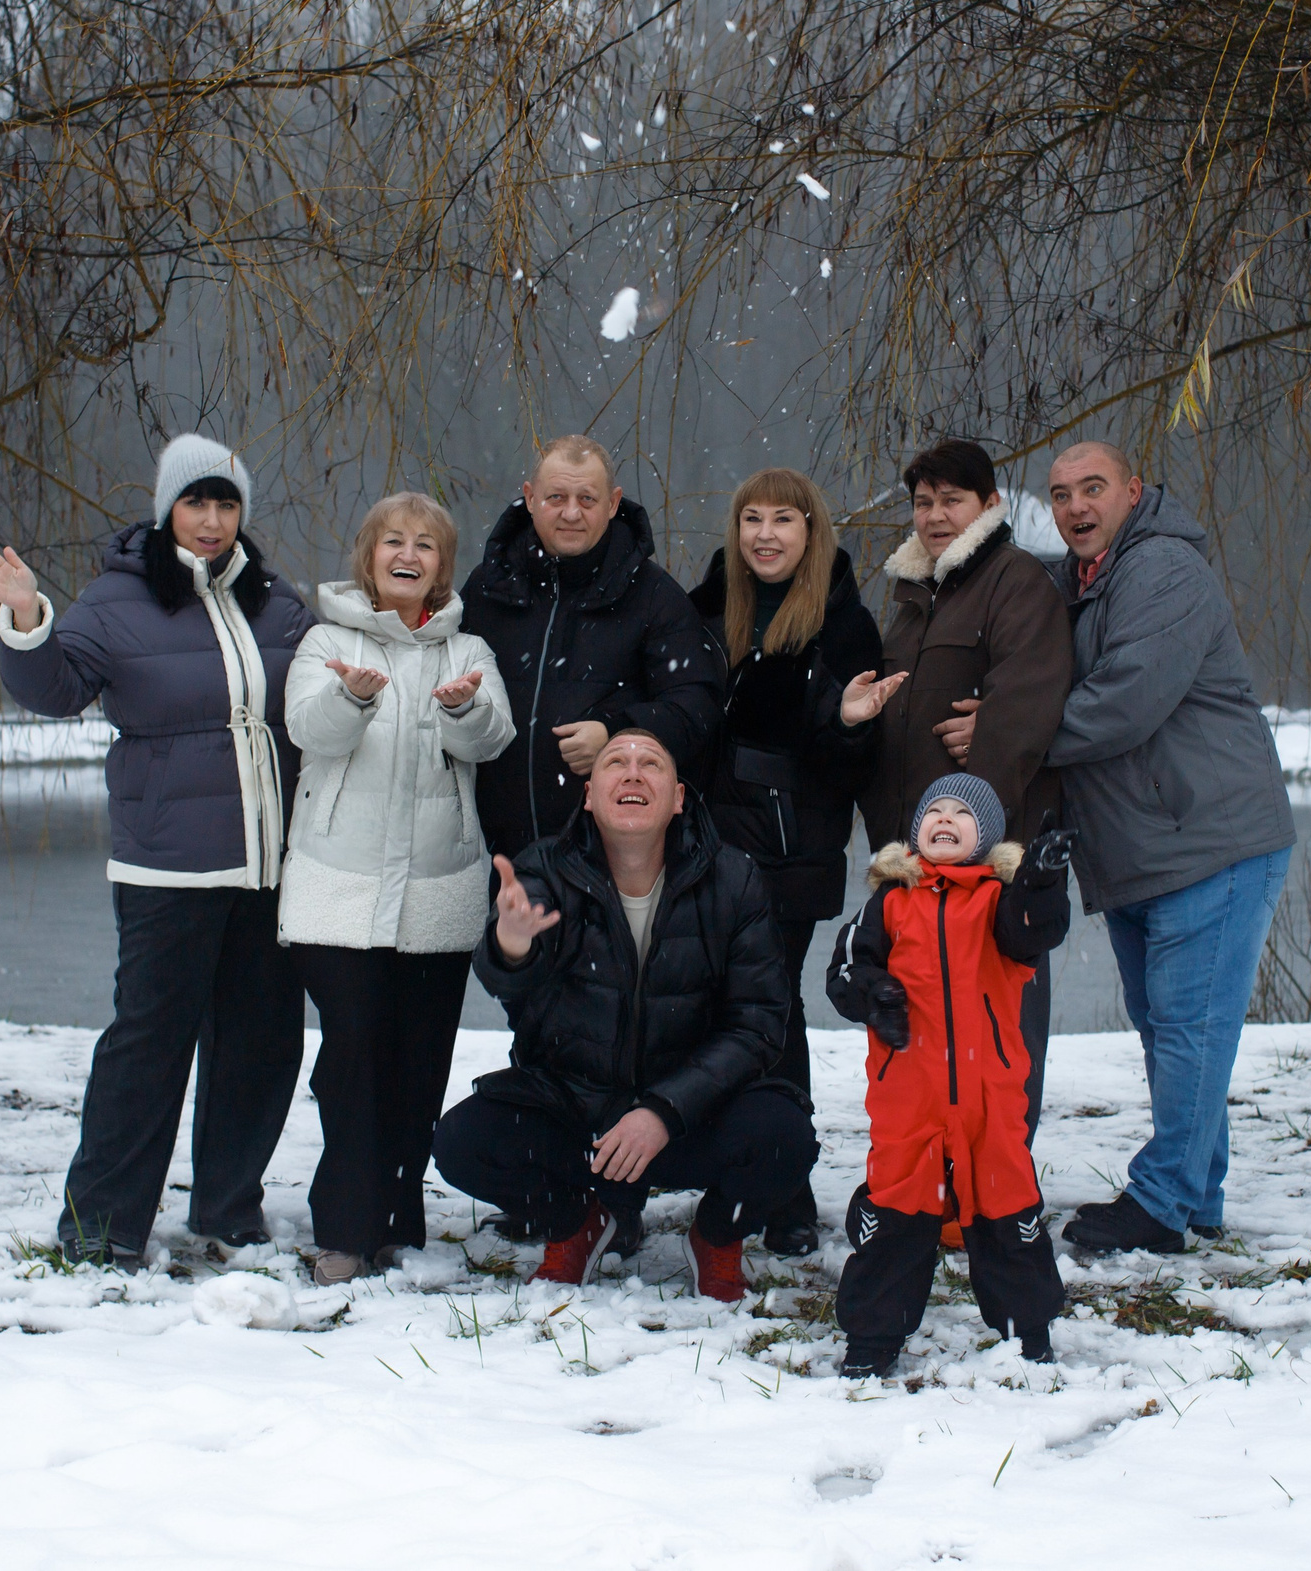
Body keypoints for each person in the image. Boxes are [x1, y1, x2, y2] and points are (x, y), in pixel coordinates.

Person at [0, 434, 313, 1266]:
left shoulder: (275, 602)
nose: (212, 520)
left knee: (260, 1043)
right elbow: (56, 687)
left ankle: (229, 1208)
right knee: (148, 1045)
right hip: (170, 865)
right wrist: (25, 616)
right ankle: (101, 1224)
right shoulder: (119, 601)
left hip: (272, 866)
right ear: (167, 510)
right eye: (196, 502)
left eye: (226, 504)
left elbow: (321, 692)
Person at [432, 729, 815, 1301]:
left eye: (651, 764)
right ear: (589, 795)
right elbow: (510, 977)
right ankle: (578, 1223)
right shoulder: (547, 867)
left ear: (679, 797)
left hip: (690, 1118)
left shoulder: (732, 878)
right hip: (577, 1111)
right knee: (464, 1141)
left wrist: (664, 1110)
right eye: (616, 762)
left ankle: (715, 1237)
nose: (633, 773)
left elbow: (758, 1021)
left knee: (785, 1138)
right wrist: (511, 943)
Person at [1040, 440, 1296, 1257]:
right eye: (1060, 495)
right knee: (1172, 1029)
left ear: (1132, 491)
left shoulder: (1161, 571)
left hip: (1207, 840)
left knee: (1189, 1029)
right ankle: (1199, 1194)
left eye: (1093, 488)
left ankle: (1160, 1203)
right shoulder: (1080, 583)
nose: (1077, 507)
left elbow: (1124, 702)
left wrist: (1009, 738)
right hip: (1145, 851)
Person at [279, 493, 515, 1286]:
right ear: (369, 554)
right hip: (337, 894)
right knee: (353, 1056)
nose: (408, 554)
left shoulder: (468, 647)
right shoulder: (326, 638)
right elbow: (311, 729)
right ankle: (344, 1227)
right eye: (393, 541)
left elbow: (493, 739)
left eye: (426, 544)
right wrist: (352, 696)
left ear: (443, 565)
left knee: (418, 1063)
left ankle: (396, 1219)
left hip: (437, 893)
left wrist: (464, 710)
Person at [687, 467, 903, 1254]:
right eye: (752, 518)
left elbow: (847, 773)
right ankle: (721, 1166)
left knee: (770, 1017)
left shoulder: (843, 626)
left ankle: (784, 1185)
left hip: (786, 855)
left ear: (811, 533)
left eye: (784, 519)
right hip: (702, 848)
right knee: (706, 1009)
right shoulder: (706, 608)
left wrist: (846, 724)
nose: (766, 533)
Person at [826, 774, 1074, 1378]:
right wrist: (872, 991)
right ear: (916, 833)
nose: (945, 817)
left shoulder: (1001, 900)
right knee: (897, 1212)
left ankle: (1028, 1332)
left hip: (990, 1096)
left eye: (962, 812)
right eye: (934, 809)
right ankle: (872, 1337)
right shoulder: (888, 901)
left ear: (985, 837)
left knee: (1005, 1207)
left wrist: (1040, 878)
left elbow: (1035, 933)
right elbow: (843, 973)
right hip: (908, 1096)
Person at [861, 438, 1074, 1137]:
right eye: (923, 502)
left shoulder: (1015, 582)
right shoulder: (917, 594)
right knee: (926, 1023)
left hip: (990, 861)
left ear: (990, 504)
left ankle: (1001, 1173)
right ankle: (933, 1168)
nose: (935, 515)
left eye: (953, 499)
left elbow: (1026, 706)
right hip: (918, 862)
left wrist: (964, 831)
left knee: (999, 1022)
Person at [459, 435, 722, 862]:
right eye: (556, 497)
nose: (571, 513)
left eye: (587, 499)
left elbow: (695, 705)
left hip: (606, 855)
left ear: (614, 503)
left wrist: (616, 734)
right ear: (529, 498)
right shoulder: (488, 587)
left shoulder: (654, 595)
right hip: (490, 853)